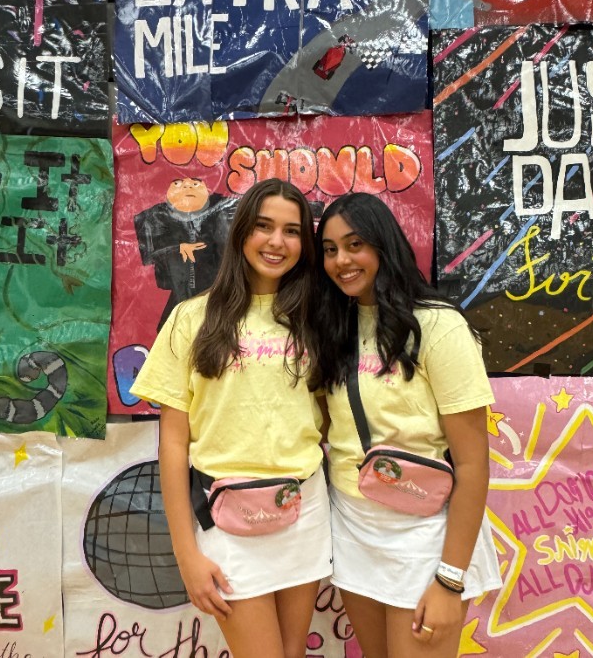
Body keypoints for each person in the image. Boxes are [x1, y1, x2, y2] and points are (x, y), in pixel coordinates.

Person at [130, 178, 332, 658]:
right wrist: (187, 555)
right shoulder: (190, 318)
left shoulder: (317, 319)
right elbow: (172, 445)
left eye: (291, 231)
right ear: (240, 232)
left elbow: (324, 417)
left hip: (303, 511)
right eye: (263, 226)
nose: (276, 241)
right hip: (225, 518)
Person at [311, 193, 502, 658]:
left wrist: (450, 579)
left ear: (383, 244)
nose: (341, 261)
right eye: (330, 250)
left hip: (425, 535)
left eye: (354, 244)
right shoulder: (333, 325)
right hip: (353, 528)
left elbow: (473, 464)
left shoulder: (438, 326)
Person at [134, 177, 234, 331]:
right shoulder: (153, 216)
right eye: (177, 183)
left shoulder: (226, 209)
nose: (188, 187)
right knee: (171, 329)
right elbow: (147, 255)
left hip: (218, 290)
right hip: (180, 287)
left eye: (195, 184)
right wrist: (177, 248)